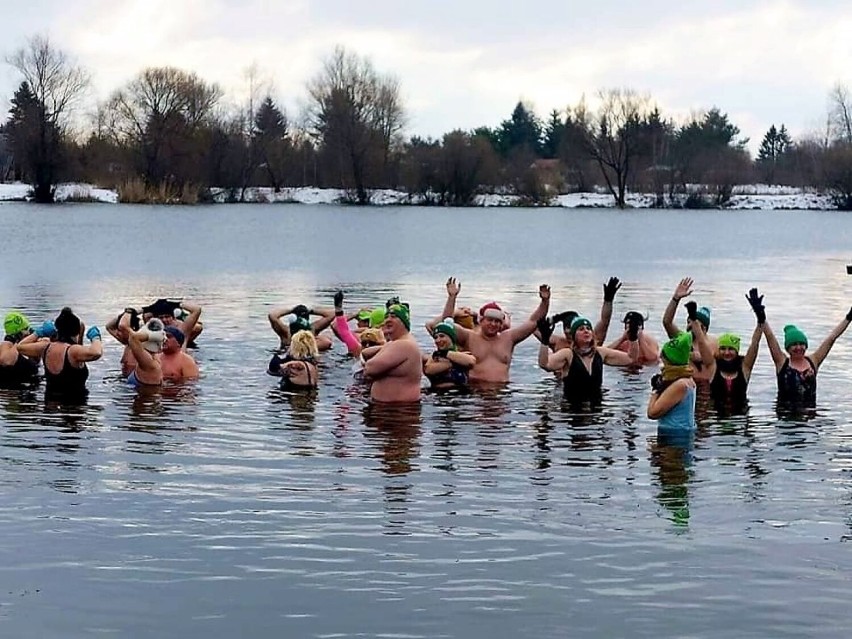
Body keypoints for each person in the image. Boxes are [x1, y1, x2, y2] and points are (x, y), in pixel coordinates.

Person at [440, 277, 550, 383]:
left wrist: (545, 301)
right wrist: (452, 297)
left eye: (497, 321)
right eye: (490, 320)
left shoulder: (508, 338)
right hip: (475, 393)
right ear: (481, 321)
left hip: (502, 392)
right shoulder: (469, 337)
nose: (493, 324)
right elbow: (447, 323)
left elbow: (534, 322)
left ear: (501, 324)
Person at [761, 296, 852, 408]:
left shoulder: (814, 360)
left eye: (801, 344)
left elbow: (832, 338)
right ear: (788, 348)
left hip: (810, 417)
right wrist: (761, 317)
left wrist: (849, 317)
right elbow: (770, 338)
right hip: (786, 417)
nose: (799, 347)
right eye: (794, 345)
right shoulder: (782, 362)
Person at [537, 315, 639, 406]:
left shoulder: (600, 353)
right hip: (572, 410)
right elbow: (545, 364)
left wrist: (633, 337)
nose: (586, 331)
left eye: (588, 328)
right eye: (581, 329)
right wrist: (545, 341)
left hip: (596, 407)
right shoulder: (568, 354)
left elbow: (631, 358)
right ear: (574, 336)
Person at [690, 289, 765, 414]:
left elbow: (755, 344)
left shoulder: (744, 367)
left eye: (731, 349)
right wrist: (694, 320)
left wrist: (760, 320)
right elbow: (702, 342)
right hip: (717, 417)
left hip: (740, 418)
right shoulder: (713, 366)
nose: (727, 352)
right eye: (723, 349)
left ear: (737, 351)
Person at [16, 307, 103, 402]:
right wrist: (95, 338)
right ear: (76, 331)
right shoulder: (73, 351)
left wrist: (38, 333)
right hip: (74, 408)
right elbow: (96, 352)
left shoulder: (46, 347)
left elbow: (20, 347)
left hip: (49, 406)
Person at [538, 277, 621, 351]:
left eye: (572, 328)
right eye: (567, 328)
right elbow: (534, 325)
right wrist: (545, 302)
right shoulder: (558, 342)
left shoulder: (590, 342)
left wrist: (608, 300)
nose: (568, 332)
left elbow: (605, 321)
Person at [363, 304, 423, 402]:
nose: (388, 320)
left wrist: (385, 348)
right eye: (386, 317)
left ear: (404, 322)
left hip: (397, 411)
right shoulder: (398, 343)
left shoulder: (404, 344)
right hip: (389, 409)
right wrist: (384, 346)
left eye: (393, 316)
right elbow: (365, 353)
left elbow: (370, 368)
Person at [662, 277, 716, 382]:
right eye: (688, 322)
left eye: (692, 322)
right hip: (684, 385)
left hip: (706, 388)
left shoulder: (714, 343)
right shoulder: (683, 339)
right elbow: (667, 322)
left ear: (704, 328)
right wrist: (675, 298)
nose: (688, 326)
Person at [647, 331, 697, 433]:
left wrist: (656, 390)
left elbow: (652, 413)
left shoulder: (680, 385)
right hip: (681, 433)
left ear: (671, 361)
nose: (661, 361)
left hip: (674, 437)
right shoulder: (688, 379)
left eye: (664, 358)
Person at [423, 318, 477, 390]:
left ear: (451, 338)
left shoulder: (462, 354)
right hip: (439, 395)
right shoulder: (434, 357)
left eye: (442, 336)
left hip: (462, 395)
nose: (438, 340)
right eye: (435, 337)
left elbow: (471, 362)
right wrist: (454, 362)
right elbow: (428, 370)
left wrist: (445, 354)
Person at [268, 303, 335, 351]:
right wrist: (311, 311)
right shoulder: (312, 329)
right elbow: (332, 314)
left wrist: (291, 310)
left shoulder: (286, 332)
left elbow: (272, 315)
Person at [0, 312, 41, 387]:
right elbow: (7, 362)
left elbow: (36, 364)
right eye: (26, 329)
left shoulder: (25, 349)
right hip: (12, 393)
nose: (29, 333)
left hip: (27, 390)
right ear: (19, 333)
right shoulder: (6, 345)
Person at [124, 317, 167, 387]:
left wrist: (154, 335)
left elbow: (133, 338)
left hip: (145, 396)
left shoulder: (149, 363)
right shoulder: (154, 357)